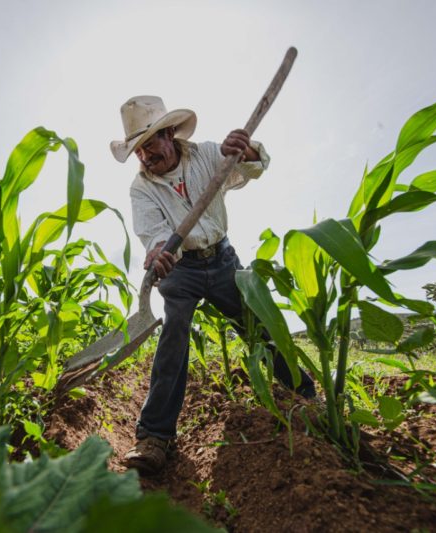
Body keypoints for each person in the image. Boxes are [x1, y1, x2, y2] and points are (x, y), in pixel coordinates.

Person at [110, 95, 316, 475]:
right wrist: (159, 253)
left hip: (221, 260)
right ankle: (154, 437)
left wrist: (245, 149)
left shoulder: (206, 155)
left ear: (169, 133)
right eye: (137, 149)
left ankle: (306, 396)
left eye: (149, 144)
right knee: (173, 336)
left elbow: (252, 167)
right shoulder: (142, 188)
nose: (144, 156)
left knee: (258, 326)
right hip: (181, 271)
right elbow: (153, 233)